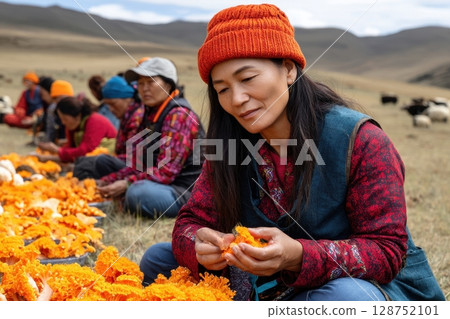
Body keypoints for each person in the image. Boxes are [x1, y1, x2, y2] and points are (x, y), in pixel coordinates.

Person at [139, 4, 445, 301]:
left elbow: (386, 251)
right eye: (222, 89)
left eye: (247, 78)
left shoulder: (361, 140)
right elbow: (191, 220)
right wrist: (198, 244)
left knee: (345, 298)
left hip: (366, 287)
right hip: (274, 281)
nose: (238, 99)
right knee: (157, 259)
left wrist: (298, 256)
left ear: (287, 70)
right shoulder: (230, 146)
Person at [97, 57, 204, 219]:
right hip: (163, 185)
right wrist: (109, 180)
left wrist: (126, 184)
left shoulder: (179, 115)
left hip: (185, 192)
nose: (144, 89)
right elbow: (139, 162)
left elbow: (166, 171)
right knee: (106, 166)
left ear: (168, 84)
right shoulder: (151, 114)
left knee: (137, 192)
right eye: (140, 83)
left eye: (151, 82)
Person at [73, 75, 144, 180]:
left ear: (128, 99)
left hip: (137, 169)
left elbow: (137, 161)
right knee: (84, 162)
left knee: (98, 162)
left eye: (113, 104)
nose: (110, 109)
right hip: (127, 164)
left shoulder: (137, 118)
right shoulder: (126, 117)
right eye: (108, 105)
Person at [36, 96, 117, 163]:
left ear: (77, 115)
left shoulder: (95, 120)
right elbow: (71, 148)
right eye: (61, 119)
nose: (63, 122)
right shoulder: (73, 125)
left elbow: (86, 151)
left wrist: (57, 150)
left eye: (65, 118)